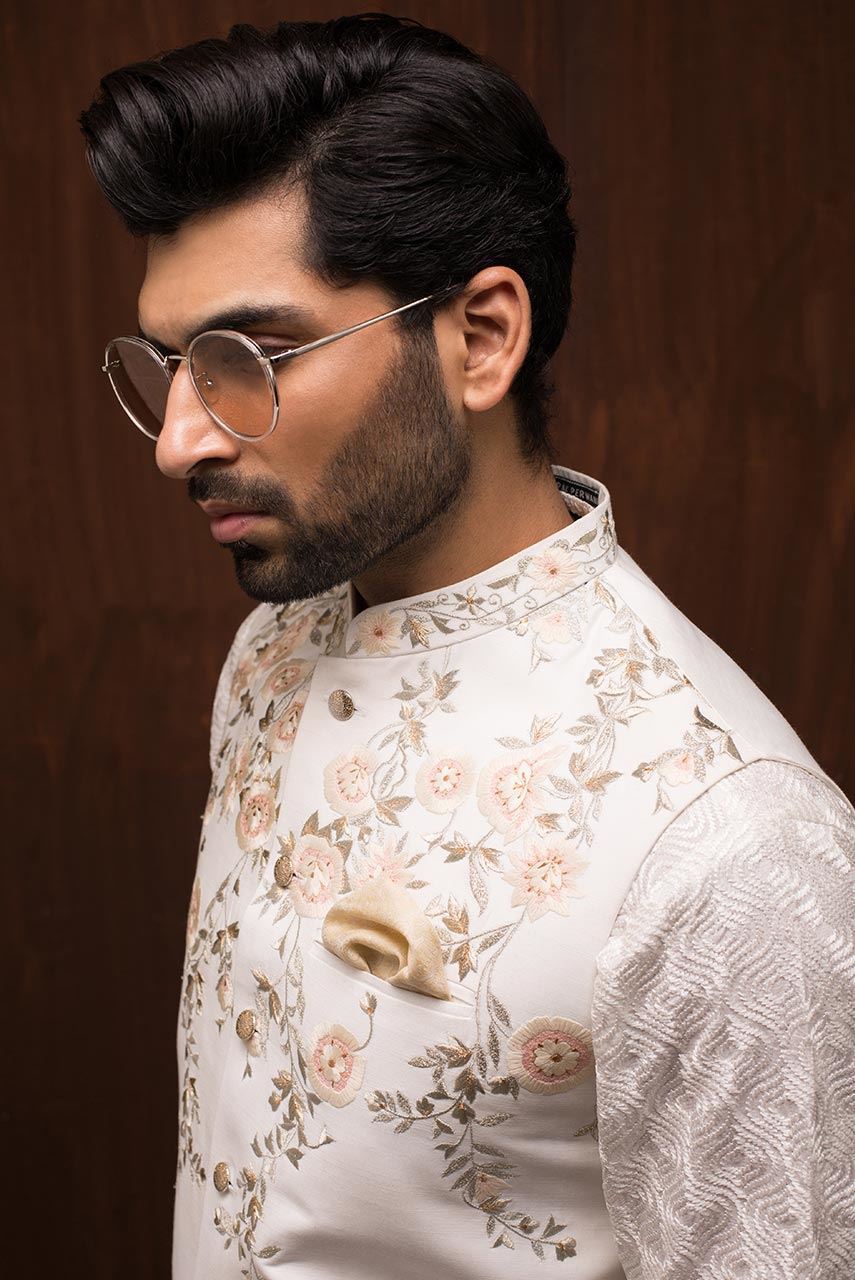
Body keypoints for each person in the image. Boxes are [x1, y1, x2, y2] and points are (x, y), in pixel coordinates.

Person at [78, 13, 855, 1279]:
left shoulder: (732, 847)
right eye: (170, 363)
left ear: (481, 337)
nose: (178, 440)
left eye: (247, 357)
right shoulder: (272, 649)